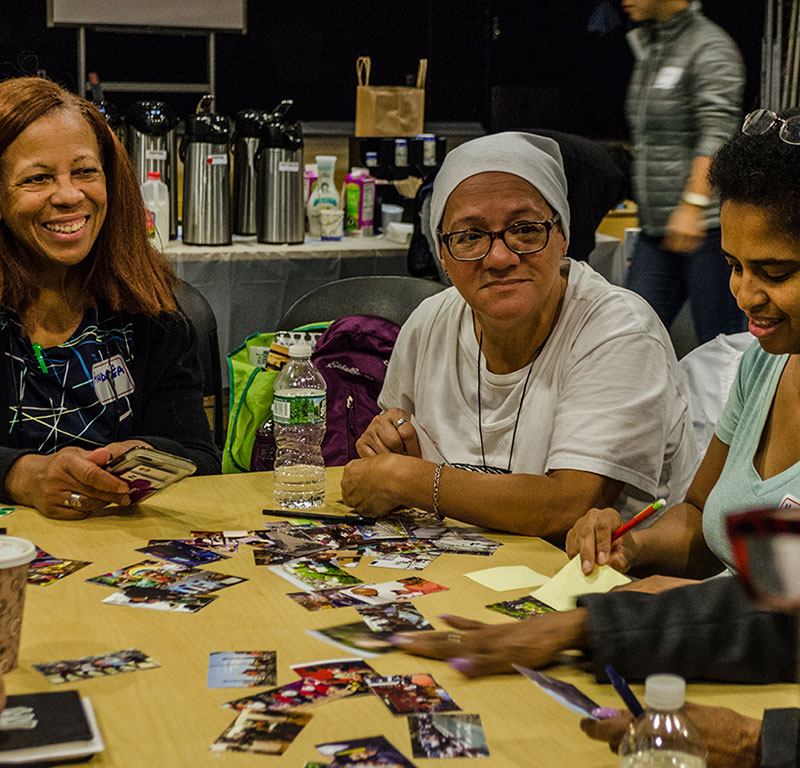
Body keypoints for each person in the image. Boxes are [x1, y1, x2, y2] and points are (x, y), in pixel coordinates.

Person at [391, 109, 800, 766]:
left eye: (775, 273)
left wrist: (756, 740)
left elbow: (786, 611)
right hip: (717, 670)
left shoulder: (620, 326)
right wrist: (634, 546)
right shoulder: (767, 362)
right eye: (732, 265)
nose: (745, 295)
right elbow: (699, 520)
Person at [341, 131, 698, 539]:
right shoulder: (430, 323)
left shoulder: (618, 331)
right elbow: (393, 451)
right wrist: (388, 445)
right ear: (442, 253)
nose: (499, 257)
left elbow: (567, 507)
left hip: (603, 584)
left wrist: (406, 479)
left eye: (525, 229)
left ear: (563, 236)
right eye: (470, 236)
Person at [0, 77, 219, 519]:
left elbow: (203, 461)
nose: (68, 195)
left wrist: (146, 454)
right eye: (38, 178)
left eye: (85, 172)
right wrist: (21, 475)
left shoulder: (153, 313)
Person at [622, 0, 746, 343]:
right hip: (657, 228)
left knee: (724, 348)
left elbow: (717, 132)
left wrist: (692, 203)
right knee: (628, 337)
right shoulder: (654, 45)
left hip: (705, 230)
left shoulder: (710, 46)